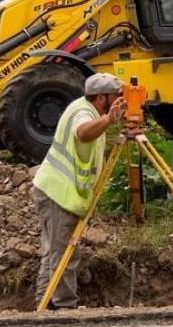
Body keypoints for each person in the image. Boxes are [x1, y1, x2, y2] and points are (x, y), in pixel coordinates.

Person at [32, 72, 126, 310]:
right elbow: (82, 133)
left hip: (58, 192)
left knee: (54, 253)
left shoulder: (89, 110)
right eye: (116, 96)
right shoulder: (82, 113)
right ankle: (65, 306)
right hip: (58, 194)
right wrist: (109, 120)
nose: (120, 100)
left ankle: (44, 306)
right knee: (63, 254)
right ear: (102, 98)